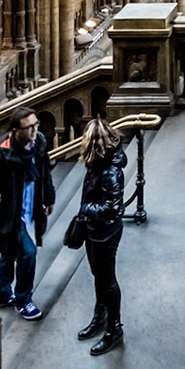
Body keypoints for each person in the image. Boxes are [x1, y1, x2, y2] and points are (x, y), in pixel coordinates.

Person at [0, 108, 53, 319]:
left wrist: (48, 197)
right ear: (16, 131)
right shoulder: (1, 159)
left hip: (29, 207)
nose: (34, 130)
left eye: (36, 125)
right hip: (10, 216)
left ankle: (1, 294)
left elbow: (45, 172)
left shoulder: (39, 144)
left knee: (10, 249)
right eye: (29, 127)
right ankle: (23, 300)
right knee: (27, 253)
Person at [74, 118, 129, 355]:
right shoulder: (97, 164)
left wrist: (86, 209)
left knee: (107, 280)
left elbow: (113, 208)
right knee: (99, 275)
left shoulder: (110, 171)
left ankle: (114, 328)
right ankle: (100, 315)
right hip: (94, 230)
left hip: (105, 233)